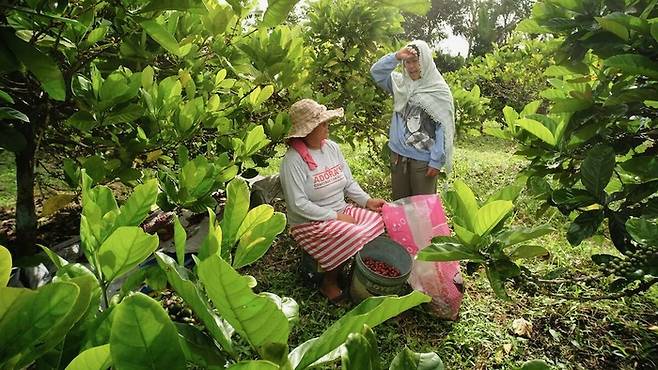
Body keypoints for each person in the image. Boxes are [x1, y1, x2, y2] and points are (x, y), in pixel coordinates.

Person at [279, 98, 387, 303]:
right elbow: (297, 204)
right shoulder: (293, 160)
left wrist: (367, 201)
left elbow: (348, 183)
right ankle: (328, 281)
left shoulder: (332, 148)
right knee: (353, 234)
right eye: (322, 125)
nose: (327, 128)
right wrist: (336, 217)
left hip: (340, 209)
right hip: (309, 222)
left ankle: (352, 271)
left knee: (377, 222)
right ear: (307, 131)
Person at [370, 40, 455, 200]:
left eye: (415, 61)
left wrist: (436, 160)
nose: (411, 66)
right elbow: (376, 72)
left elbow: (442, 127)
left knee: (423, 209)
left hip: (423, 162)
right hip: (398, 158)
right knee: (401, 206)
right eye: (407, 62)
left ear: (425, 61)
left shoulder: (438, 90)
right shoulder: (399, 83)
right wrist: (396, 56)